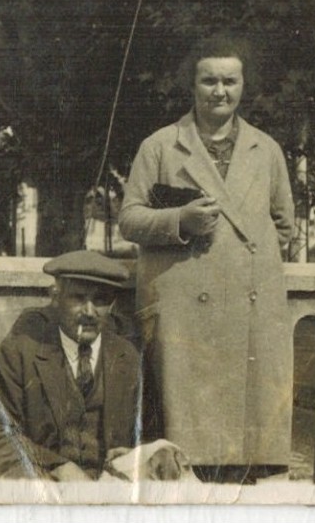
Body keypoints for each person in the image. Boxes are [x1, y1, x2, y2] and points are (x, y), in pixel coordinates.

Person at [118, 32, 295, 484]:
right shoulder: (160, 146)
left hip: (248, 314)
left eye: (230, 81)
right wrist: (180, 221)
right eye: (209, 81)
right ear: (192, 85)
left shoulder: (266, 149)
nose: (220, 91)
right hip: (184, 314)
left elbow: (283, 225)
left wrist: (247, 263)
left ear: (243, 86)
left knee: (242, 455)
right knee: (185, 453)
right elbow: (130, 220)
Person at [0, 250, 142, 481]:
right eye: (78, 298)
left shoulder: (127, 357)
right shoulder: (21, 351)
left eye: (101, 301)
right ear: (56, 298)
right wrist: (58, 467)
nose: (89, 312)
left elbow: (146, 435)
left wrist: (133, 457)